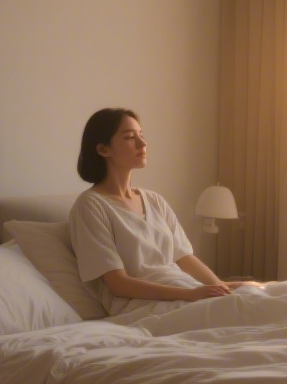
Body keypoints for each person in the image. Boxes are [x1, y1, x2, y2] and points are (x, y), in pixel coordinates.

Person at [69, 107, 256, 317]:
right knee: (243, 312)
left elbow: (185, 258)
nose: (142, 143)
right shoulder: (91, 205)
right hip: (143, 303)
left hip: (185, 288)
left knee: (270, 294)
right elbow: (118, 284)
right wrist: (189, 294)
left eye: (141, 135)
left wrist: (221, 287)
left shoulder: (154, 200)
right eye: (130, 137)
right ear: (104, 149)